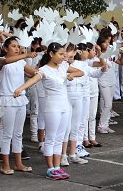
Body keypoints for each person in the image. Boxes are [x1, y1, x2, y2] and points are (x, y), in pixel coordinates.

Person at [14, 42, 84, 180]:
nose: (63, 57)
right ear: (51, 54)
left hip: (65, 106)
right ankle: (50, 168)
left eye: (64, 54)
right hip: (52, 107)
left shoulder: (63, 66)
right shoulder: (44, 69)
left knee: (60, 137)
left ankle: (57, 167)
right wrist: (20, 89)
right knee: (51, 138)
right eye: (60, 54)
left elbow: (81, 72)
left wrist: (71, 76)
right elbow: (33, 80)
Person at [0, 36, 38, 175]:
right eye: (13, 46)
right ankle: (5, 164)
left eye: (17, 46)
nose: (16, 48)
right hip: (7, 100)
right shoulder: (0, 60)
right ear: (5, 48)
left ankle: (19, 163)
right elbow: (7, 61)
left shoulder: (21, 62)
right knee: (7, 133)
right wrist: (26, 54)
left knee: (18, 133)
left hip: (20, 99)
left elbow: (34, 73)